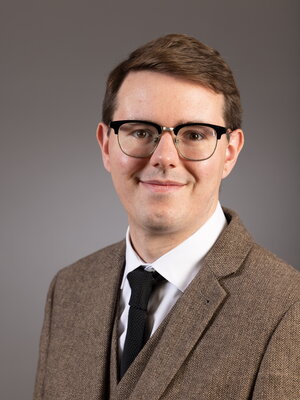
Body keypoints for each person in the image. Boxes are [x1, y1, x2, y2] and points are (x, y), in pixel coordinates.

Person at [34, 34, 300, 400]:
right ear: (106, 146)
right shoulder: (69, 290)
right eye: (141, 131)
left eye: (194, 134)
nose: (164, 157)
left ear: (229, 153)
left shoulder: (287, 307)